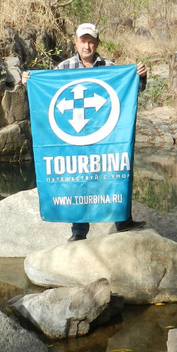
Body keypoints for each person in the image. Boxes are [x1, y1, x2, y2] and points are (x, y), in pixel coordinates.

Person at [22, 22, 148, 241]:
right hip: (74, 135)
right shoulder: (63, 69)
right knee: (75, 178)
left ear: (97, 42)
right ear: (75, 42)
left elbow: (131, 90)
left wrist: (140, 76)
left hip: (104, 134)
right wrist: (29, 83)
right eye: (83, 41)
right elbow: (48, 95)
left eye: (91, 41)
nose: (87, 46)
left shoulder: (110, 67)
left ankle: (123, 221)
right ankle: (79, 232)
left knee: (114, 172)